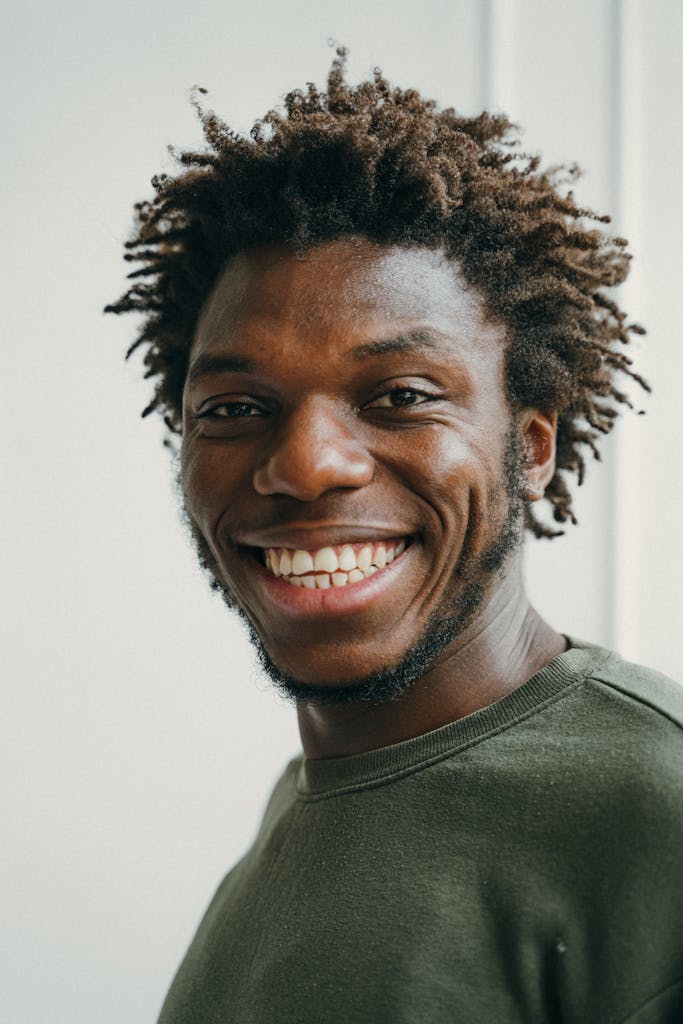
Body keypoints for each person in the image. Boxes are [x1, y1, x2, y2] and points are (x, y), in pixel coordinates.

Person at [107, 49, 682, 1024]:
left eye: (400, 396)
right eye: (236, 406)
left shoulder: (650, 812)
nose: (305, 464)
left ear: (529, 447)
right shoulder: (307, 801)